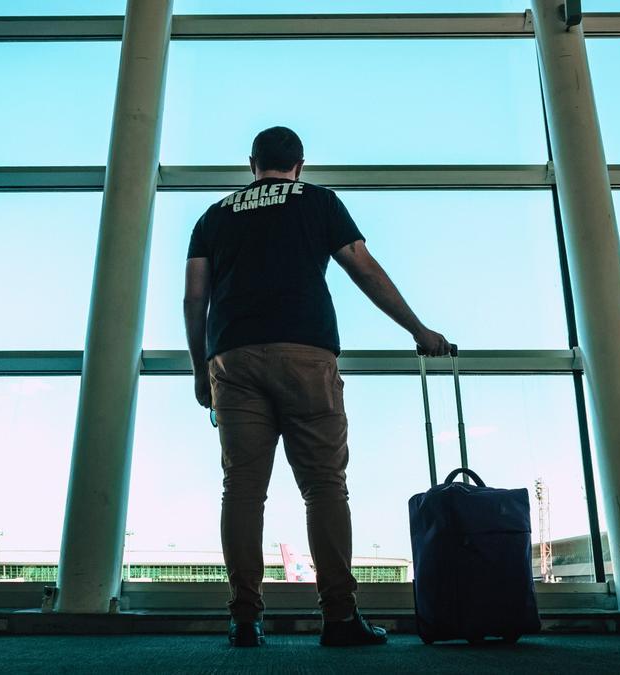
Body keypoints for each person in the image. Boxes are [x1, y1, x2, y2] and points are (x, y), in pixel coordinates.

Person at [183, 126, 451, 647]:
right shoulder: (320, 202)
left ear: (251, 164)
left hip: (233, 359)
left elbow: (195, 298)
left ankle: (243, 618)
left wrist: (200, 368)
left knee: (241, 490)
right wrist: (418, 329)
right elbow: (364, 269)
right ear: (299, 165)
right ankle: (340, 617)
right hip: (306, 354)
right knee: (324, 487)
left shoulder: (214, 215)